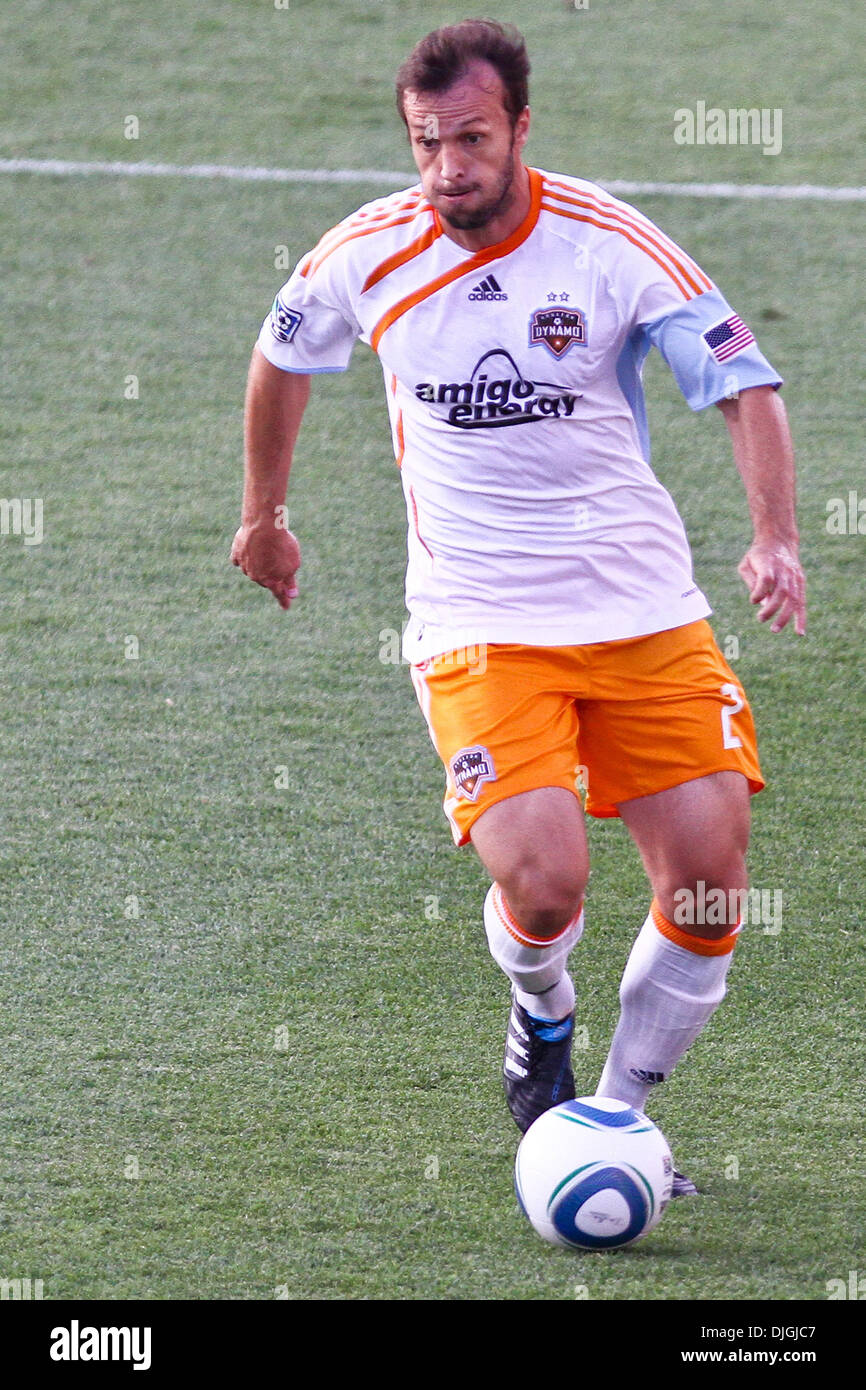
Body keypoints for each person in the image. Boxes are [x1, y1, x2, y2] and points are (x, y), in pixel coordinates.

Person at [231, 19, 805, 1194]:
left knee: (704, 887)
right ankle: (539, 1008)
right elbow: (280, 358)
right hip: (477, 620)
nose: (448, 165)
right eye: (427, 141)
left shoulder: (604, 241)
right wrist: (263, 515)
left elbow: (743, 382)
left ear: (521, 129)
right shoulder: (365, 253)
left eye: (472, 138)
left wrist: (773, 539)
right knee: (542, 884)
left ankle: (609, 1114)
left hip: (642, 611)